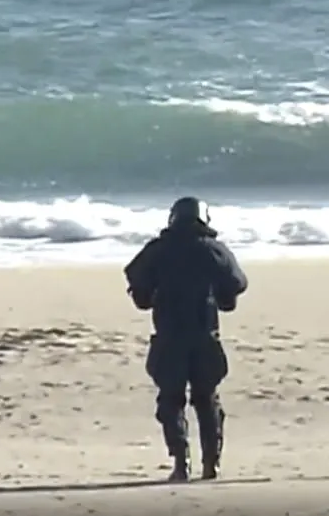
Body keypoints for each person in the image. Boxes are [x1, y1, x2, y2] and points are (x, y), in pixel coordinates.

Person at [124, 196, 248, 482]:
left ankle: (181, 462)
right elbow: (237, 284)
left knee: (171, 400)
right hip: (205, 337)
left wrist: (148, 295)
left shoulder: (157, 250)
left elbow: (136, 282)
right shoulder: (214, 250)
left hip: (169, 338)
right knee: (207, 399)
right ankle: (211, 464)